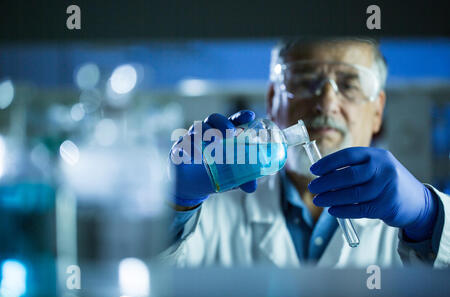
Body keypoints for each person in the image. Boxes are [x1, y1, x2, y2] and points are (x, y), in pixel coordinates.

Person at [161, 37, 450, 268]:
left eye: (348, 85)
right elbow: (151, 279)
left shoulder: (409, 219)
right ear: (273, 100)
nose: (326, 102)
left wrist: (430, 217)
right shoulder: (214, 209)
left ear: (377, 111)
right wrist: (175, 206)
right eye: (304, 82)